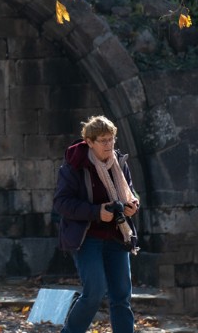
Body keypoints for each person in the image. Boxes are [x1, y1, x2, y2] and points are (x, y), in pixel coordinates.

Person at [53, 115, 140, 333]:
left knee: (122, 295)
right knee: (94, 292)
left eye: (112, 139)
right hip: (87, 238)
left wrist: (133, 205)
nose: (109, 145)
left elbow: (129, 190)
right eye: (103, 140)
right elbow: (61, 203)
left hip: (118, 236)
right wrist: (97, 212)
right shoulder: (74, 165)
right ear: (89, 142)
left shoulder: (119, 163)